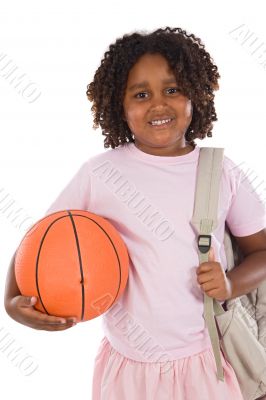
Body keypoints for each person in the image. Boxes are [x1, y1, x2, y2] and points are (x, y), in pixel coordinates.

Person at [4, 26, 266, 400]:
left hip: (206, 363)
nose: (158, 104)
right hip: (126, 367)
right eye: (141, 94)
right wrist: (13, 301)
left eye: (172, 89)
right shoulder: (101, 173)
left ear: (196, 93)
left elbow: (260, 252)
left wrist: (229, 285)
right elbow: (40, 240)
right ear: (118, 105)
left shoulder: (220, 171)